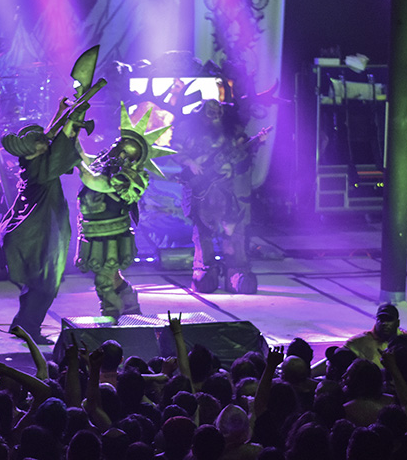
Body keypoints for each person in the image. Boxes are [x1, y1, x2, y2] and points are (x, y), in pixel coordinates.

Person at [76, 106, 174, 321]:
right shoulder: (106, 164)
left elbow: (92, 180)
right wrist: (73, 130)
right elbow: (85, 158)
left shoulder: (128, 176)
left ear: (124, 153)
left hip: (111, 235)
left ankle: (111, 317)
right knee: (112, 276)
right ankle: (130, 307)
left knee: (104, 278)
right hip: (94, 231)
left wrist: (75, 160)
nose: (112, 145)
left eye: (117, 145)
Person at [0, 115, 84, 344]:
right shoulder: (42, 171)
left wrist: (62, 113)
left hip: (32, 236)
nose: (46, 143)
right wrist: (72, 124)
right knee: (45, 286)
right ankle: (30, 329)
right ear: (31, 152)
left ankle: (20, 325)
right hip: (38, 238)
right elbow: (59, 149)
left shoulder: (32, 164)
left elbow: (51, 140)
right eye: (39, 143)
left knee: (34, 285)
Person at [174, 99, 268, 294]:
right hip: (201, 188)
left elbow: (239, 150)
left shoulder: (228, 131)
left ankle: (237, 271)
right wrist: (190, 162)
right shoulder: (188, 129)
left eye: (218, 112)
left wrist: (256, 142)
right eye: (211, 112)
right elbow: (176, 149)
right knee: (204, 232)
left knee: (233, 229)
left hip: (226, 186)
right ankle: (205, 270)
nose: (216, 115)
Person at [343, 304, 407, 370]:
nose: (385, 323)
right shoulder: (357, 342)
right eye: (381, 319)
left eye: (389, 319)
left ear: (397, 323)